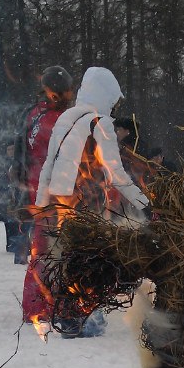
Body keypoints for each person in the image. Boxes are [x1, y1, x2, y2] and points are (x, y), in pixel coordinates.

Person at [32, 66, 149, 335]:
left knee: (65, 259)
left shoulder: (65, 118)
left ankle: (68, 317)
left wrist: (41, 204)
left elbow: (48, 165)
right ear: (106, 96)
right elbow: (116, 174)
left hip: (60, 203)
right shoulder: (100, 122)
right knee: (88, 259)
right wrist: (144, 202)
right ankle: (87, 319)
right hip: (88, 201)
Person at [13, 65, 74, 265]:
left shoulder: (37, 113)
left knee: (48, 253)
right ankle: (42, 293)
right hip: (49, 196)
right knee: (48, 256)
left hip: (49, 195)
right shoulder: (46, 116)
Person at [0, 141, 20, 253]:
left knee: (17, 223)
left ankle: (17, 246)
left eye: (12, 149)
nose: (11, 152)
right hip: (5, 198)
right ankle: (10, 246)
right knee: (8, 223)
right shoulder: (3, 164)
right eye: (9, 149)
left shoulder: (19, 162)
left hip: (16, 197)